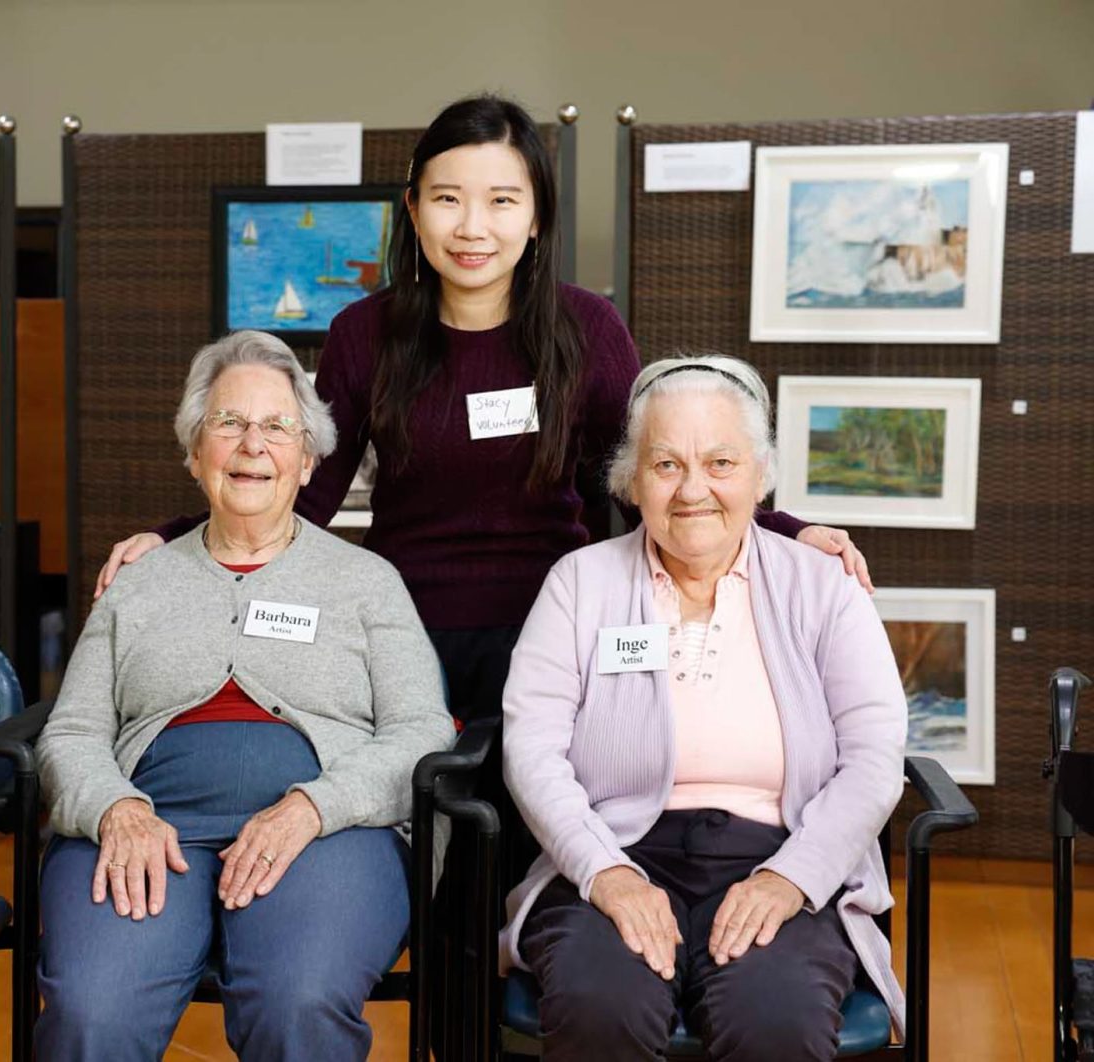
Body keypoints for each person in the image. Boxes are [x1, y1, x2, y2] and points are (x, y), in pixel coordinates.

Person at [93, 94, 870, 721]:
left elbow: (648, 479)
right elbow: (306, 488)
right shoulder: (364, 332)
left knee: (528, 834)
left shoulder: (584, 329)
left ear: (534, 217)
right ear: (413, 208)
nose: (472, 227)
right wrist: (170, 539)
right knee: (417, 835)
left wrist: (788, 528)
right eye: (447, 200)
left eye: (501, 200)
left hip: (556, 617)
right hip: (399, 624)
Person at [35, 330, 455, 1061]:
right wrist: (117, 809)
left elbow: (421, 730)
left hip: (327, 827)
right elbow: (70, 732)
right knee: (90, 1012)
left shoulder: (366, 582)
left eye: (275, 428)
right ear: (196, 454)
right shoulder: (138, 582)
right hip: (150, 823)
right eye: (227, 424)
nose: (251, 445)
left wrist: (312, 807)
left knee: (298, 1002)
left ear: (308, 460)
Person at [500, 355, 906, 1061]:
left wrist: (791, 877)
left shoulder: (823, 587)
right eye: (665, 465)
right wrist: (607, 874)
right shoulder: (578, 583)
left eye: (720, 462)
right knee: (601, 1007)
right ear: (631, 480)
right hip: (613, 849)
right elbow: (530, 750)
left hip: (782, 851)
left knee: (774, 1020)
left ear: (759, 474)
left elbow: (874, 760)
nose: (693, 490)